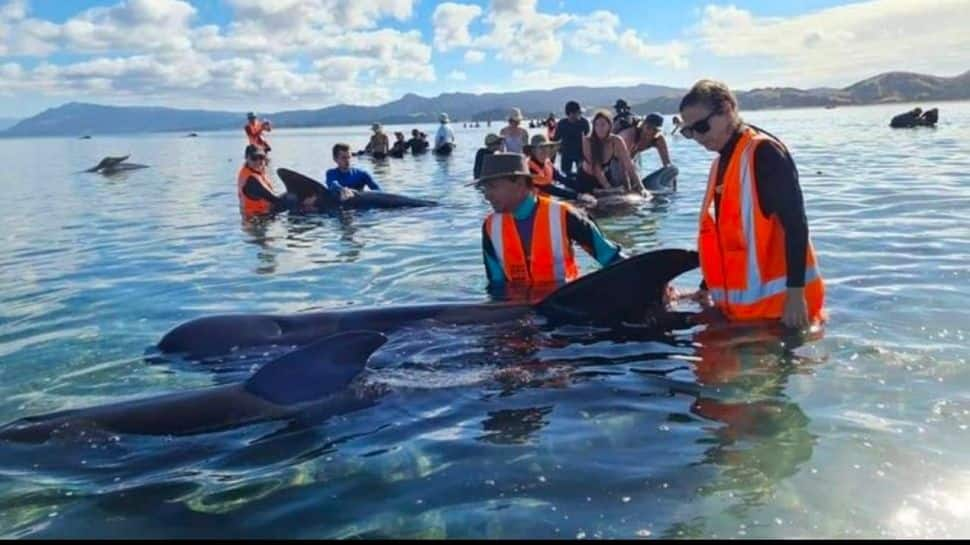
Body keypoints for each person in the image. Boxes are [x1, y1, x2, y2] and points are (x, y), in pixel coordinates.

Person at [677, 79, 825, 329]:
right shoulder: (722, 162)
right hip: (742, 316)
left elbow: (796, 225)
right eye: (688, 131)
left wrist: (796, 296)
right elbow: (728, 239)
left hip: (781, 315)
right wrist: (704, 288)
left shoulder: (764, 154)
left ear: (727, 110)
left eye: (701, 127)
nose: (697, 138)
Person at [471, 153, 624, 293]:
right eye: (485, 188)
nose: (487, 195)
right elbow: (496, 283)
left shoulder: (564, 214)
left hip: (566, 306)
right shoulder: (490, 227)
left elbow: (611, 258)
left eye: (492, 187)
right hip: (519, 311)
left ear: (519, 183)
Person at [576, 109, 642, 193]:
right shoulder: (587, 141)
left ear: (609, 125)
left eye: (603, 125)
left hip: (605, 178)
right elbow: (596, 169)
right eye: (596, 125)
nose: (599, 128)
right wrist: (610, 189)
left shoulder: (616, 140)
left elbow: (628, 164)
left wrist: (641, 187)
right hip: (586, 180)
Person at [525, 134, 596, 205]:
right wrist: (578, 196)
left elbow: (562, 179)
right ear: (533, 151)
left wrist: (588, 189)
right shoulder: (528, 168)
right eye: (541, 148)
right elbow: (551, 189)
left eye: (546, 147)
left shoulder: (547, 163)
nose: (545, 151)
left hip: (545, 201)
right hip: (531, 205)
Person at [615, 112, 677, 192]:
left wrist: (674, 190)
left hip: (632, 157)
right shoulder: (629, 135)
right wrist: (628, 187)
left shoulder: (658, 139)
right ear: (643, 125)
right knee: (626, 182)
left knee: (673, 169)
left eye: (655, 130)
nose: (650, 132)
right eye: (648, 128)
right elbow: (623, 164)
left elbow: (667, 164)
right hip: (615, 160)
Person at [237, 144, 284, 217]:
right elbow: (276, 200)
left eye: (261, 157)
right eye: (254, 158)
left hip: (260, 215)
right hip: (257, 219)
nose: (258, 161)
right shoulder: (252, 179)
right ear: (246, 158)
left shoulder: (252, 170)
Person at [553, 100, 590, 176]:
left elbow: (588, 139)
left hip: (581, 154)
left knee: (582, 175)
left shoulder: (584, 122)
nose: (580, 114)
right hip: (566, 153)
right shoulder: (562, 123)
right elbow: (555, 139)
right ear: (570, 113)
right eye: (578, 113)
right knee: (565, 175)